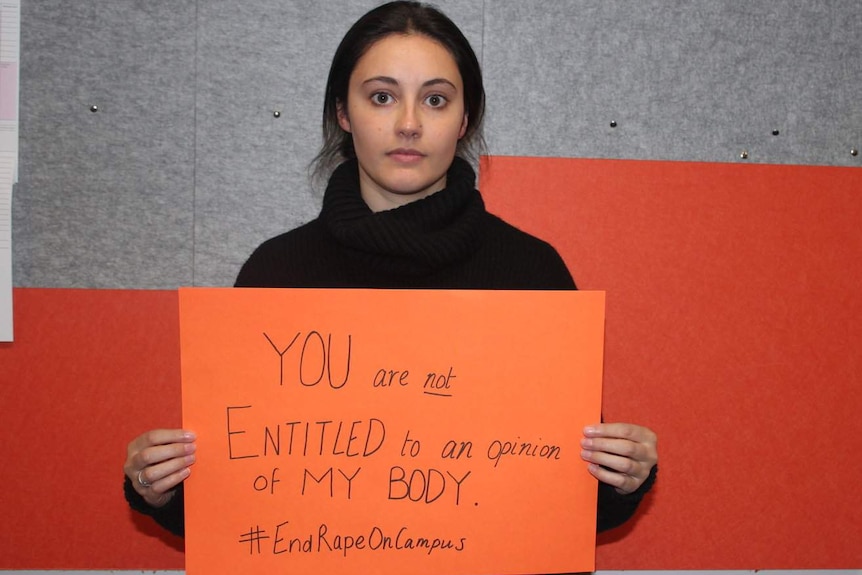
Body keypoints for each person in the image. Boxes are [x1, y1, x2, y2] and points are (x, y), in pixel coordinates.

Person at [124, 0, 657, 543]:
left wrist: (623, 476)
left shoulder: (530, 271)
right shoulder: (277, 272)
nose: (408, 124)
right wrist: (162, 488)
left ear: (465, 118)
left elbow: (573, 505)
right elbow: (239, 504)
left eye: (435, 99)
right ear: (343, 113)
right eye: (382, 97)